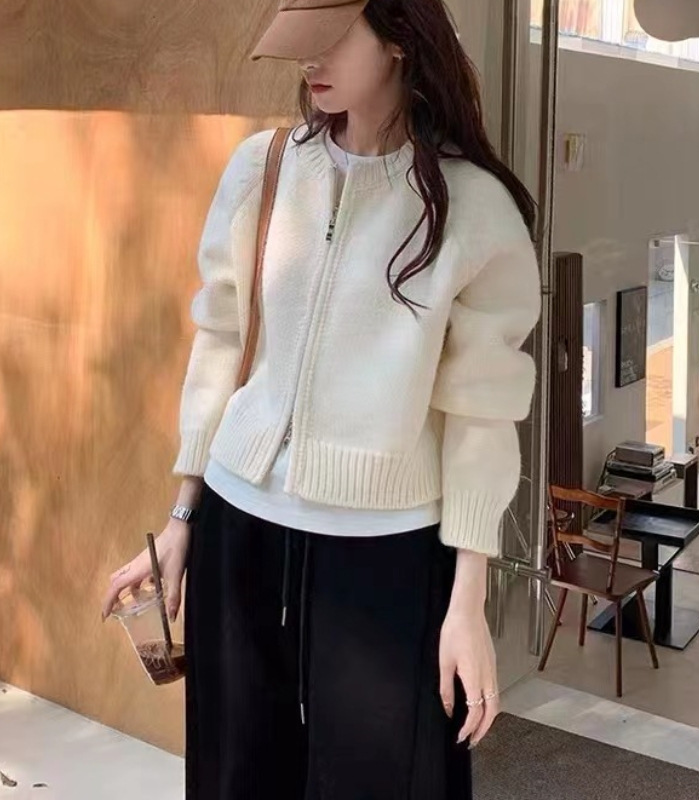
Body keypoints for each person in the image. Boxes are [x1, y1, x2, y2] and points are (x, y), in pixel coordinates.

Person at [102, 0, 541, 796]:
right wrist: (181, 519)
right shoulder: (263, 167)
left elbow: (482, 414)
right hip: (240, 529)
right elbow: (222, 341)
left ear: (400, 39)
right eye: (297, 41)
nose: (308, 61)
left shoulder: (474, 208)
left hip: (388, 554)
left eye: (329, 39)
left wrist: (468, 600)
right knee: (235, 777)